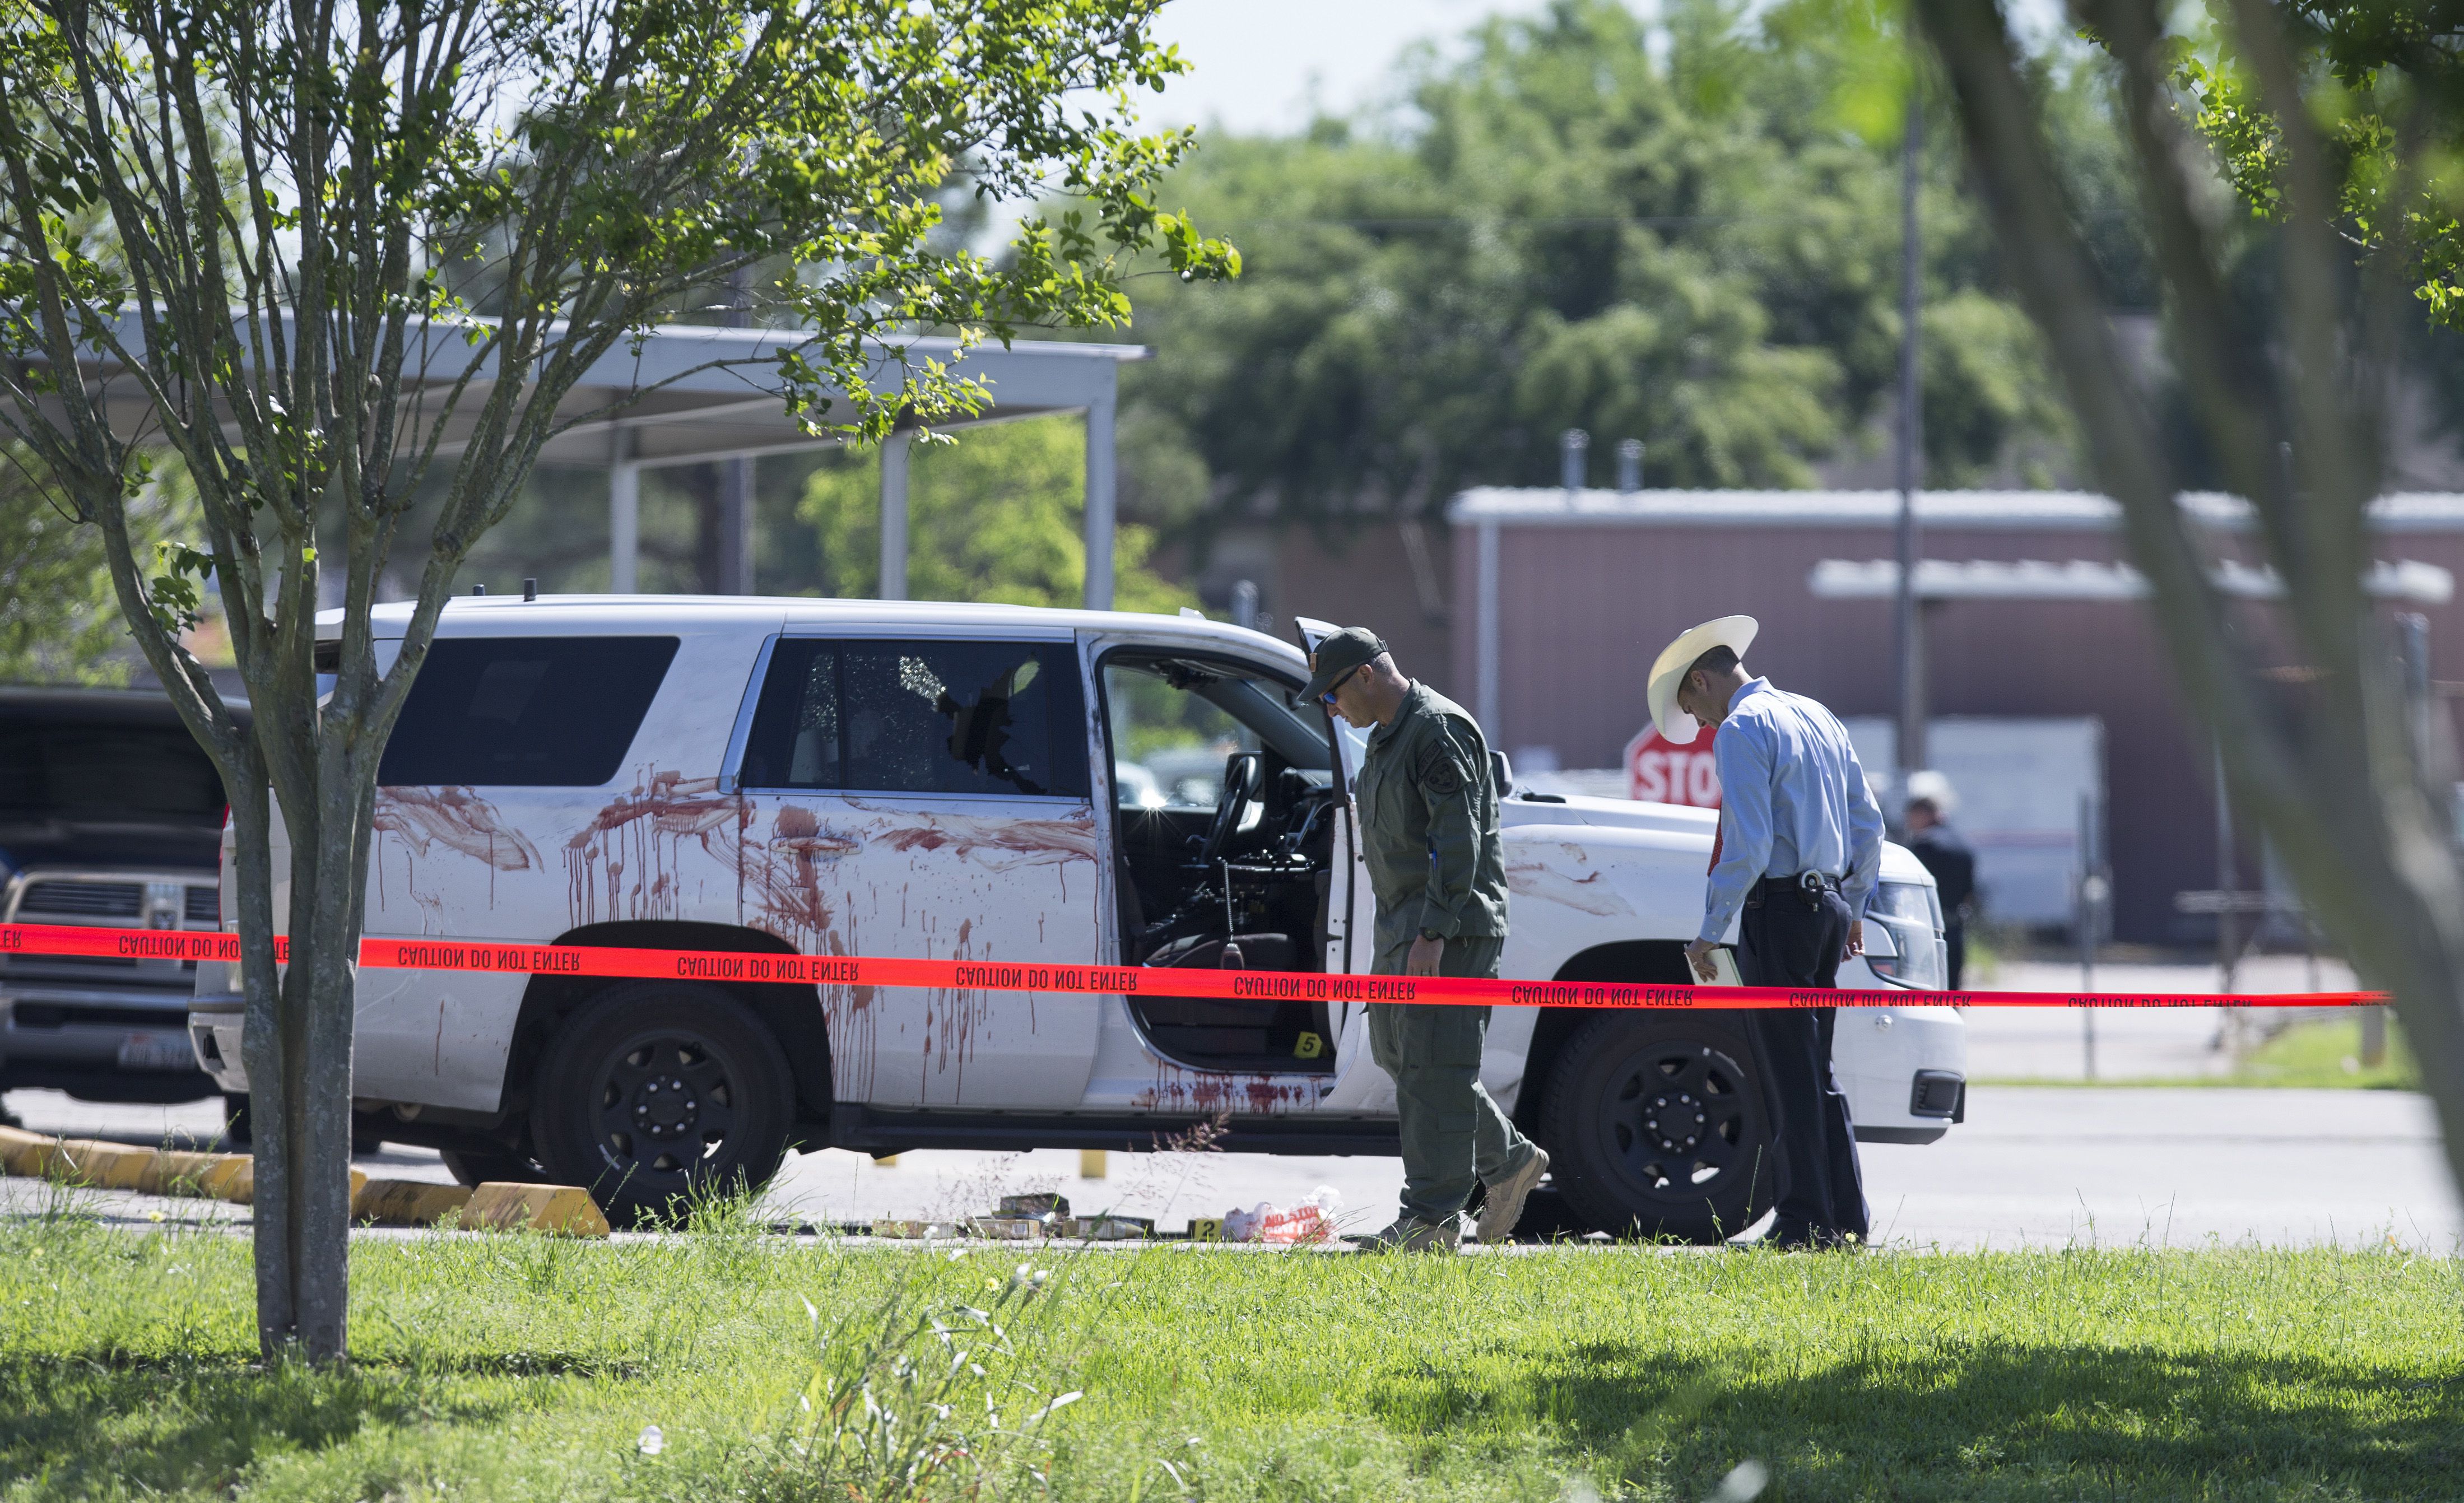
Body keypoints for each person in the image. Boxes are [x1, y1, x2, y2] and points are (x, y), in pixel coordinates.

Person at [1301, 627, 1550, 1251]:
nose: (1332, 710)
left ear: (1364, 674)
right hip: (1403, 927)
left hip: (1448, 927)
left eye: (1332, 695)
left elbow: (1457, 840)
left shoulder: (1436, 729)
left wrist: (1434, 933)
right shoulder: (1386, 737)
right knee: (1403, 1059)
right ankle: (1511, 1160)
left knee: (1436, 1066)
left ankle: (1430, 1219)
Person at [1649, 615, 1880, 1251]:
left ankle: (1805, 1220)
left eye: (1692, 707)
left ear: (1700, 679)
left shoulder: (1742, 729)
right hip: (1829, 908)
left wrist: (1708, 930)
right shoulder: (1817, 715)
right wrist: (1854, 903)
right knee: (1816, 1069)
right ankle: (1844, 1215)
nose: (1698, 724)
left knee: (1788, 1073)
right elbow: (1870, 823)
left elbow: (1748, 846)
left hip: (1777, 911)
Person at [1901, 771, 1977, 990]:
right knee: (1952, 989)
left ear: (1923, 814)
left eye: (1911, 817)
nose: (1910, 823)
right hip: (1956, 927)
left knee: (1926, 991)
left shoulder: (1924, 846)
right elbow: (1970, 894)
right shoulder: (1962, 845)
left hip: (1926, 930)